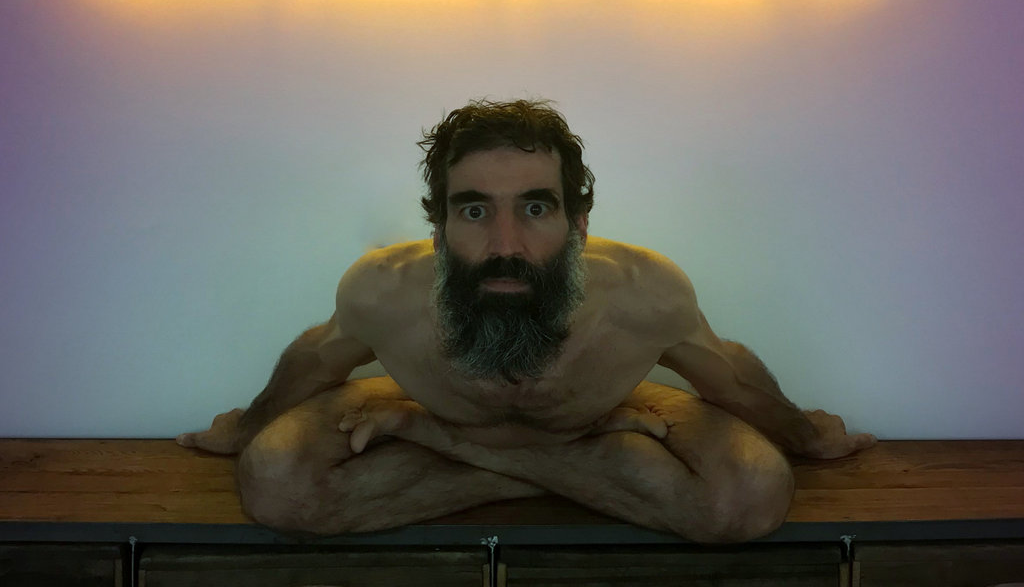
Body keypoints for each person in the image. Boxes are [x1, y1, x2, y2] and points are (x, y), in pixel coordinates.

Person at [178, 99, 875, 543]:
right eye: (474, 210)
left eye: (536, 208)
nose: (505, 244)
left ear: (578, 220)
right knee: (275, 484)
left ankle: (447, 439)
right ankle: (557, 460)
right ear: (439, 224)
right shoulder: (382, 289)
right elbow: (317, 357)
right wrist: (244, 427)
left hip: (570, 411)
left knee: (750, 498)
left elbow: (728, 376)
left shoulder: (645, 291)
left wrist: (805, 436)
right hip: (537, 427)